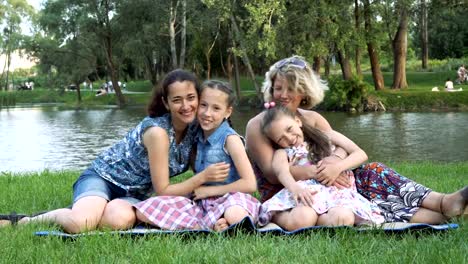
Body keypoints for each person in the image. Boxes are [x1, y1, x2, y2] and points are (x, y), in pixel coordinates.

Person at [245, 55, 467, 226]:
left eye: (291, 89)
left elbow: (339, 147)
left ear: (303, 91)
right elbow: (273, 176)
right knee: (372, 196)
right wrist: (319, 172)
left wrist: (336, 165)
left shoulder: (311, 119)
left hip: (331, 183)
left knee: (374, 173)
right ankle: (445, 208)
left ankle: (445, 205)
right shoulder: (259, 125)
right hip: (289, 193)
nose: (283, 94)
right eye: (278, 88)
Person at [0, 69, 209, 233]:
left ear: (199, 98)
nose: (186, 105)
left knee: (120, 221)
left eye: (191, 97)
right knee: (81, 224)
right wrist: (202, 179)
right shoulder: (158, 132)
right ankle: (24, 221)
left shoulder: (194, 131)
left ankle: (86, 211)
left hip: (134, 194)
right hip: (103, 178)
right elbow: (163, 189)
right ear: (166, 102)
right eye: (177, 100)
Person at [134, 80, 260, 231]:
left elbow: (250, 184)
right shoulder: (196, 135)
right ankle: (208, 224)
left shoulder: (230, 140)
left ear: (227, 112)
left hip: (231, 199)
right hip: (201, 202)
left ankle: (220, 222)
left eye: (216, 108)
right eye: (204, 105)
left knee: (235, 215)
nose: (207, 113)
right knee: (144, 210)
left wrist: (210, 191)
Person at [258, 106, 384, 230]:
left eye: (289, 129)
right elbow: (281, 172)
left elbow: (360, 154)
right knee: (301, 220)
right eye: (281, 138)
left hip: (337, 195)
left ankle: (319, 222)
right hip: (307, 196)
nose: (289, 138)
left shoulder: (326, 136)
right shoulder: (284, 152)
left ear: (298, 121)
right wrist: (295, 189)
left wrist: (337, 168)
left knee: (343, 219)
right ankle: (276, 216)